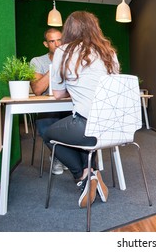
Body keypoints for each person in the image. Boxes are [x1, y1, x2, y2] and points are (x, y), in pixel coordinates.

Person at [42, 11, 118, 208]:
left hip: (87, 126)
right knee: (77, 129)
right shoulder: (109, 52)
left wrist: (75, 89)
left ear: (68, 30)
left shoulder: (62, 52)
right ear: (95, 28)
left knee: (48, 133)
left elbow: (58, 94)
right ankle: (91, 172)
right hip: (115, 126)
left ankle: (83, 175)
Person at [30, 28, 68, 175]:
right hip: (48, 107)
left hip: (69, 105)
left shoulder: (71, 59)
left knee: (80, 123)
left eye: (60, 40)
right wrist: (55, 66)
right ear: (46, 44)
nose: (57, 44)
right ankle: (60, 156)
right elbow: (38, 90)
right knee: (46, 125)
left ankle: (64, 156)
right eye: (52, 41)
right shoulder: (38, 61)